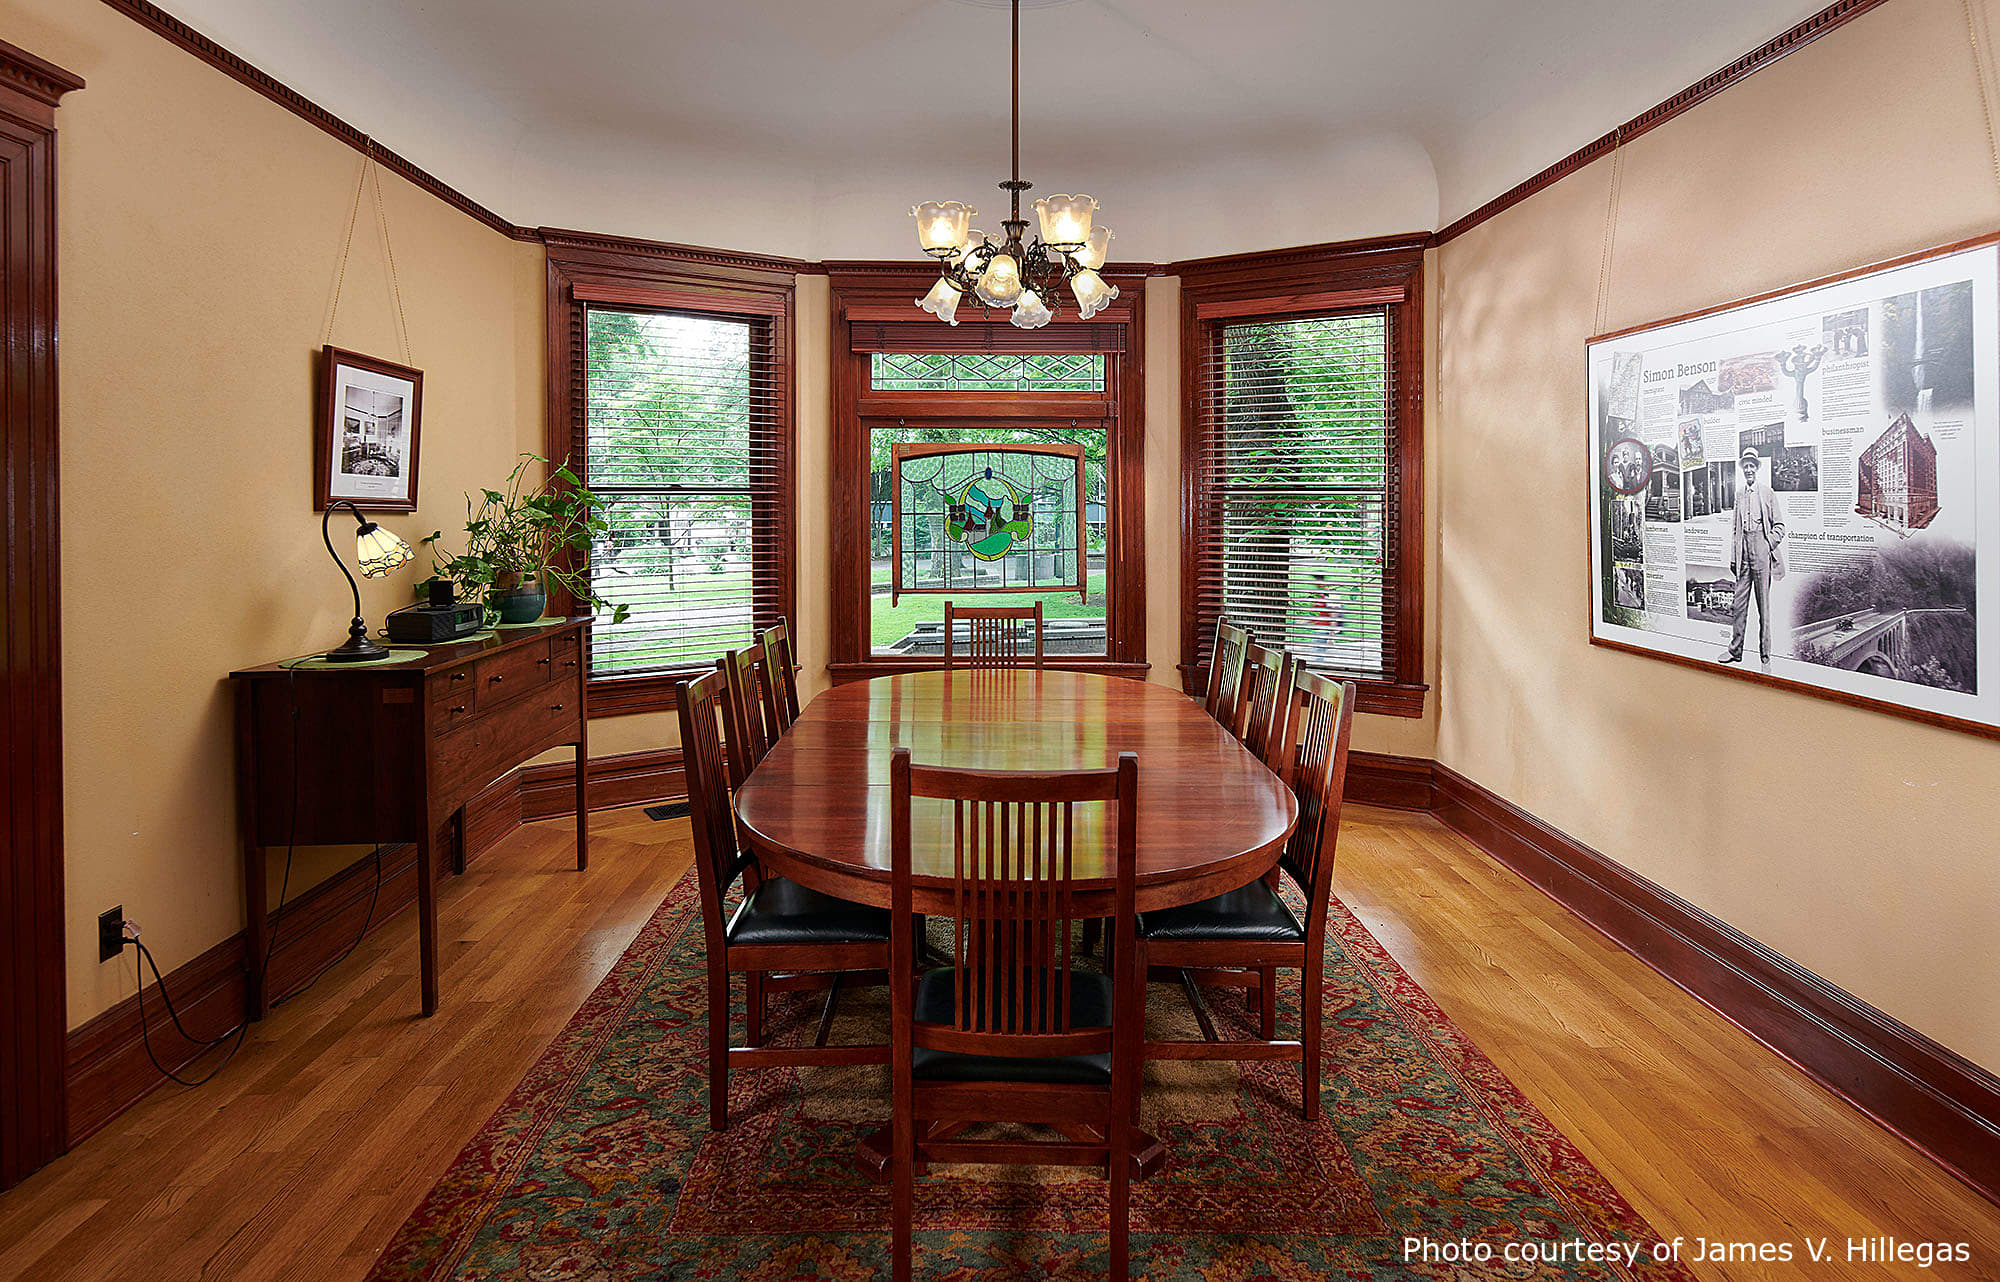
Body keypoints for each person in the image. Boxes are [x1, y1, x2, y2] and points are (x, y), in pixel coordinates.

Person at [1719, 449, 1785, 669]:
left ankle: (1765, 657)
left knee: (1763, 608)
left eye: (1751, 466)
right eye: (1745, 466)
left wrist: (1767, 545)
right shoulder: (1739, 494)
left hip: (1761, 551)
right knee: (1739, 605)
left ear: (1756, 468)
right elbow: (1735, 529)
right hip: (1743, 554)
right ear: (1742, 469)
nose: (1748, 469)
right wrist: (1733, 557)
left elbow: (1780, 527)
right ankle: (1735, 651)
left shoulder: (1767, 493)